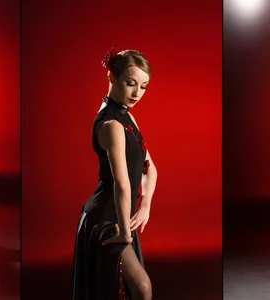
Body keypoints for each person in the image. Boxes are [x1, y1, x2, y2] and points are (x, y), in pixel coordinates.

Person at [72, 48, 157, 299]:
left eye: (143, 86)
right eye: (131, 84)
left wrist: (146, 205)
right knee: (142, 288)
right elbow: (122, 184)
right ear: (111, 77)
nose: (137, 93)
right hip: (105, 219)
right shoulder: (111, 125)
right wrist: (122, 233)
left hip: (122, 214)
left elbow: (151, 169)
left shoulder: (128, 117)